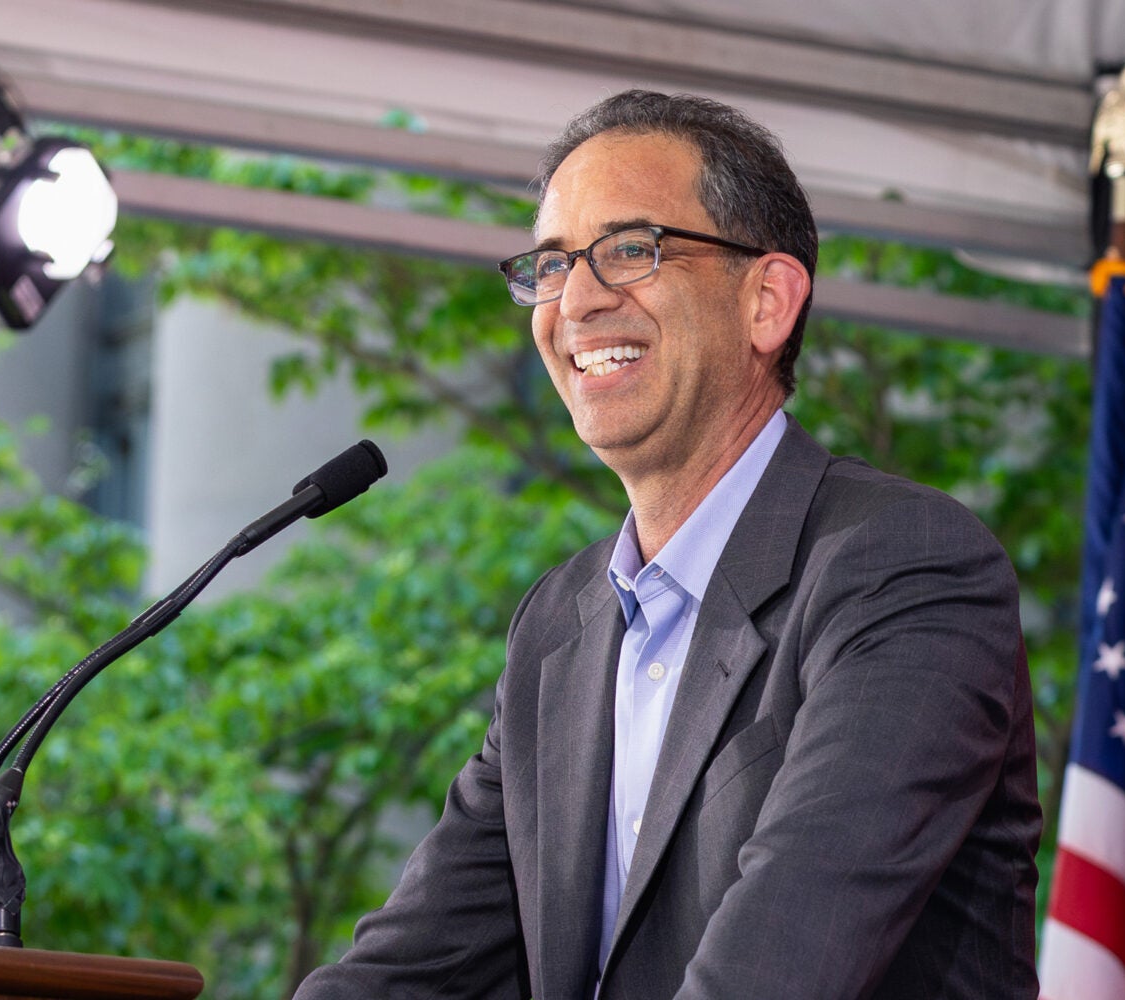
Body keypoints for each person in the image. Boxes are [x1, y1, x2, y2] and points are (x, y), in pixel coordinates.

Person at [295, 89, 1041, 1000]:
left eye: (630, 250)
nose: (576, 301)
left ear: (767, 302)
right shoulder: (558, 627)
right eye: (553, 264)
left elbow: (780, 969)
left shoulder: (905, 565)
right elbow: (411, 969)